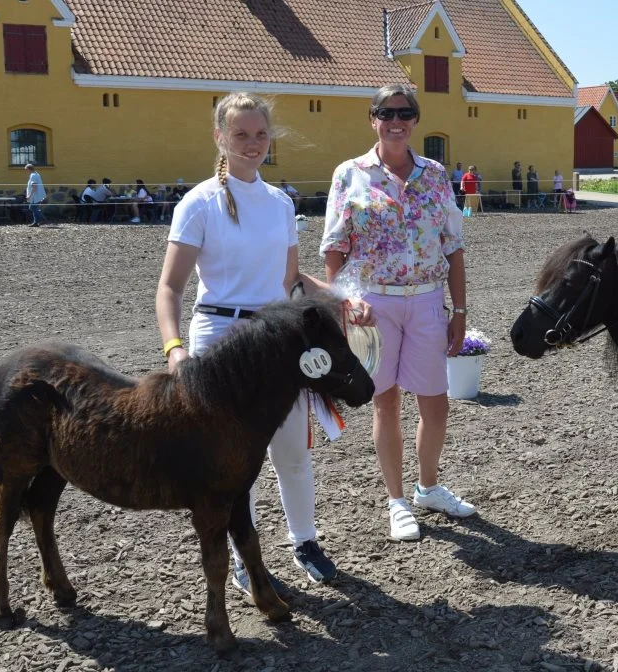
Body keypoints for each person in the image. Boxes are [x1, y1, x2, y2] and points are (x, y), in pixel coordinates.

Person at [155, 92, 374, 591]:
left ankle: (305, 540)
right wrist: (174, 349)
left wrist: (344, 298)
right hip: (220, 339)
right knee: (234, 460)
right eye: (240, 135)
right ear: (220, 138)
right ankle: (241, 553)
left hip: (278, 340)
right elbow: (170, 288)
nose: (252, 144)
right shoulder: (199, 203)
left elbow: (292, 280)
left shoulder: (280, 204)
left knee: (292, 449)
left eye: (259, 134)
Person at [321, 84, 476, 542]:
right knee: (385, 401)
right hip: (373, 305)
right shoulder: (349, 175)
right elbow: (334, 250)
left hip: (428, 300)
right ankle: (397, 500)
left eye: (405, 112)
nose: (396, 120)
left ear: (414, 120)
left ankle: (428, 486)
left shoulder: (434, 174)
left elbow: (454, 246)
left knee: (436, 402)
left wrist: (460, 310)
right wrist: (343, 303)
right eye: (386, 112)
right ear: (373, 119)